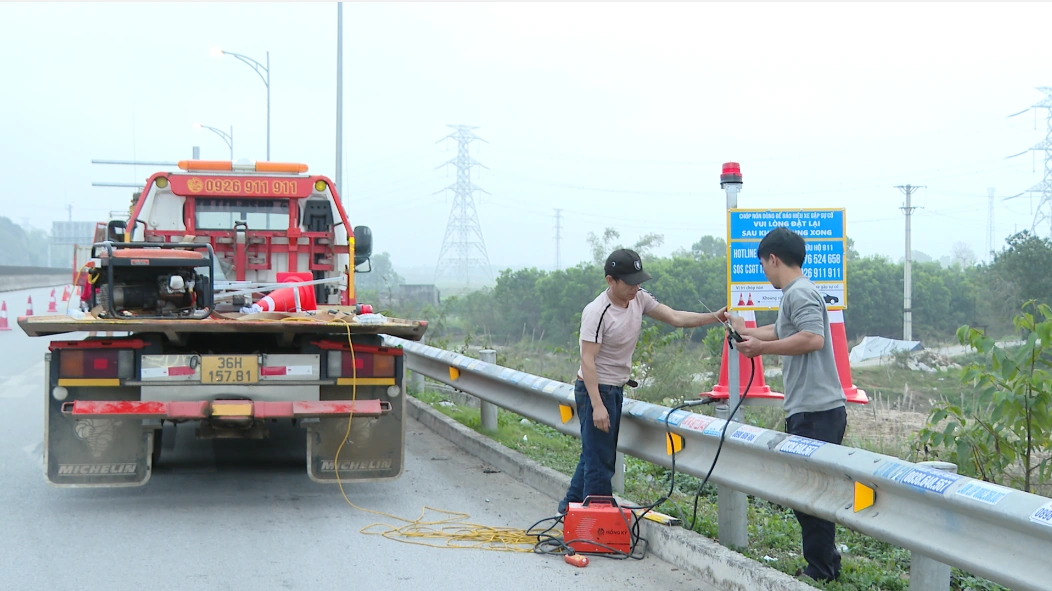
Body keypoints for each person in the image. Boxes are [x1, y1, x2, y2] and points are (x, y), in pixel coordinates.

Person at [558, 248, 727, 514]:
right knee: (601, 462)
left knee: (594, 455)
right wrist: (598, 406)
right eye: (629, 282)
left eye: (639, 281)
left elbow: (675, 318)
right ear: (610, 281)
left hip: (615, 387)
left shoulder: (639, 298)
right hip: (595, 389)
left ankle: (568, 512)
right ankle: (594, 523)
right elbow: (587, 360)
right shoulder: (597, 312)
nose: (636, 287)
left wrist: (715, 317)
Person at [730, 226, 847, 583]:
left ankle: (820, 569)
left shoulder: (800, 293)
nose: (765, 272)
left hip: (817, 410)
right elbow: (782, 331)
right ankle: (827, 560)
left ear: (773, 259)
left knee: (809, 493)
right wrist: (745, 332)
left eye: (764, 265)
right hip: (810, 409)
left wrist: (760, 349)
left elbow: (812, 338)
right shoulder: (797, 294)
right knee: (807, 491)